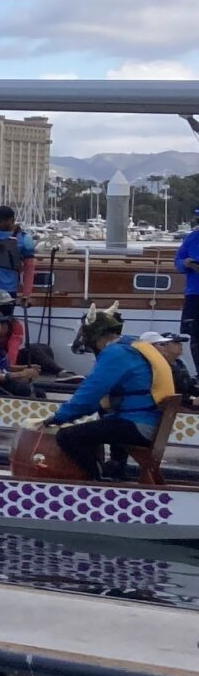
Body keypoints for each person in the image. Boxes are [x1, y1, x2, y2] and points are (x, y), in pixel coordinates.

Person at [48, 330, 191, 480]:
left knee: (67, 436)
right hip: (148, 422)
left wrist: (59, 417)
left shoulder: (118, 354)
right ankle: (114, 471)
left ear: (100, 340)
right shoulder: (135, 351)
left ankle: (97, 481)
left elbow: (91, 392)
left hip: (139, 425)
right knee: (96, 428)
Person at [179, 204, 199, 345]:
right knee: (192, 336)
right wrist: (185, 263)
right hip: (194, 294)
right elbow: (178, 261)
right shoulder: (191, 238)